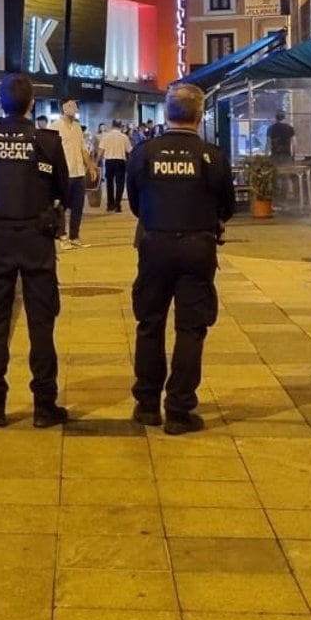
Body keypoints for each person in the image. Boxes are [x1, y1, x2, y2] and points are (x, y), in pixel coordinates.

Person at [0, 73, 71, 429]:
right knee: (42, 323)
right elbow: (64, 190)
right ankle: (44, 405)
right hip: (37, 238)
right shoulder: (47, 142)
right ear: (31, 105)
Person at [126, 83, 235, 434]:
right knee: (191, 328)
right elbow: (227, 205)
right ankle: (179, 408)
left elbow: (135, 202)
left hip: (155, 243)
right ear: (200, 115)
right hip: (196, 246)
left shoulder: (144, 152)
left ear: (166, 112)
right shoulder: (212, 156)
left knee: (149, 323)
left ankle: (146, 405)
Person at [56, 100, 92, 248]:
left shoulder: (77, 127)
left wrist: (91, 165)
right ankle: (62, 236)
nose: (75, 109)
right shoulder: (55, 127)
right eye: (71, 106)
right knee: (61, 207)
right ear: (64, 108)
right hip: (65, 173)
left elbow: (83, 149)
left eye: (76, 106)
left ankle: (74, 236)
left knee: (78, 206)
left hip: (78, 173)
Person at [98, 120, 132, 212]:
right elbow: (130, 150)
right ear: (120, 126)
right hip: (120, 161)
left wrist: (97, 162)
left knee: (109, 183)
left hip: (109, 161)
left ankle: (110, 204)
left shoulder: (106, 136)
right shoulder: (124, 137)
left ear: (112, 125)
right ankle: (118, 205)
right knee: (120, 183)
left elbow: (100, 151)